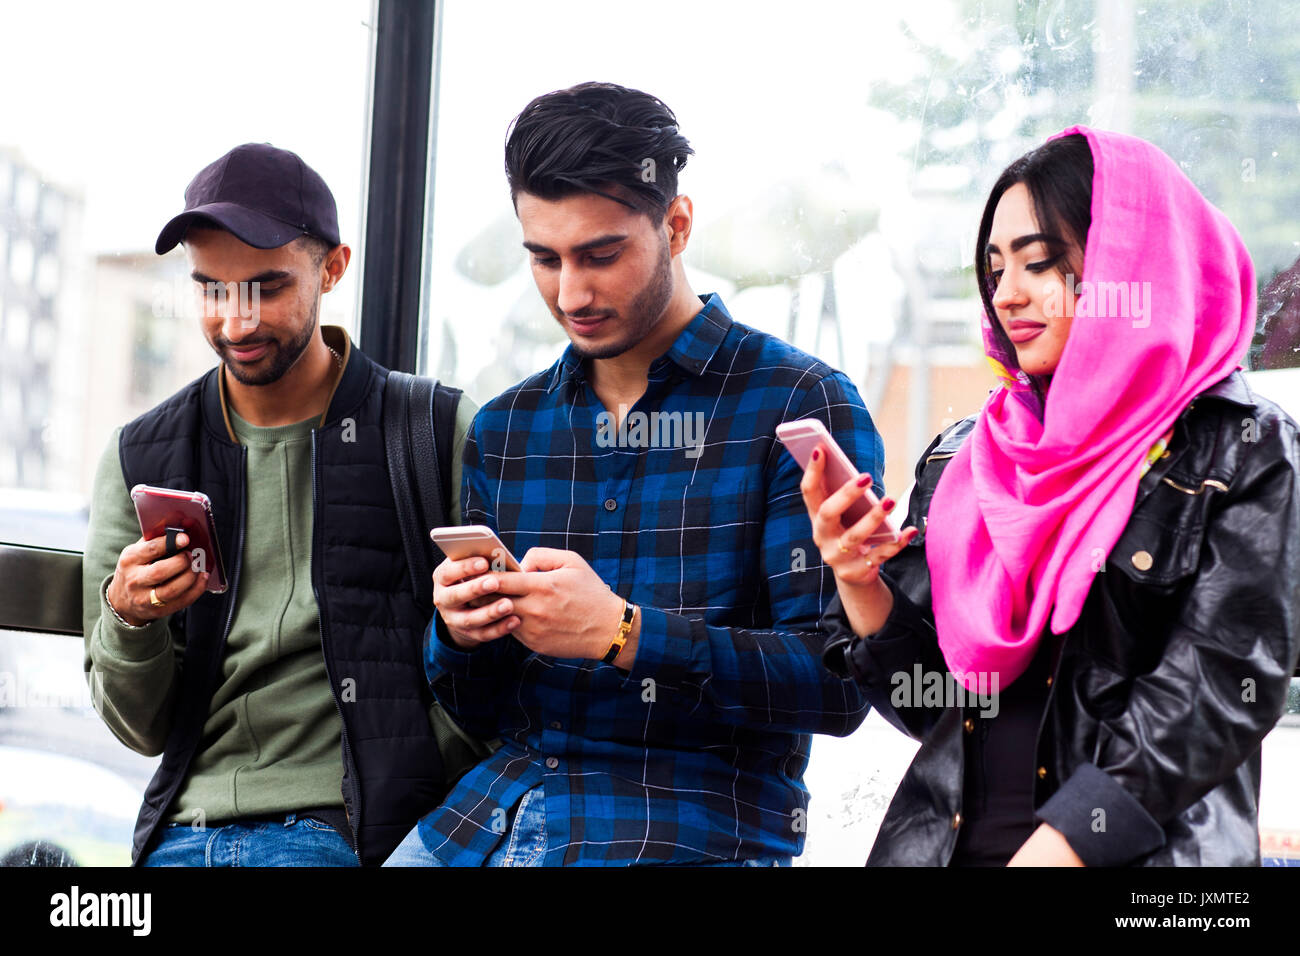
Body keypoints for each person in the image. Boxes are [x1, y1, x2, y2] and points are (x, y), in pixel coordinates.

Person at [384, 81, 883, 866]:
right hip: (482, 823)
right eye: (544, 259)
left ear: (676, 225)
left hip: (683, 827)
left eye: (601, 254)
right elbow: (476, 708)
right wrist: (460, 633)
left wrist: (625, 634)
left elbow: (843, 685)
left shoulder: (796, 404)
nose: (570, 293)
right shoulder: (508, 429)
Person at [810, 126, 1300, 866]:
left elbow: (1223, 685)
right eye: (995, 267)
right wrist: (862, 584)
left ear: (1129, 265)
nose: (1007, 294)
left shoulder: (1244, 447)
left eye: (1041, 263)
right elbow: (939, 709)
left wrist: (1069, 841)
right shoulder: (968, 459)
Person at [82, 143, 485, 867]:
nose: (237, 322)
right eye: (212, 290)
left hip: (349, 829)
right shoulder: (140, 455)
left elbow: (499, 661)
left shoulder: (432, 431)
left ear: (333, 268)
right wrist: (129, 616)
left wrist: (430, 785)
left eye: (267, 288)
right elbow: (140, 730)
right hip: (184, 831)